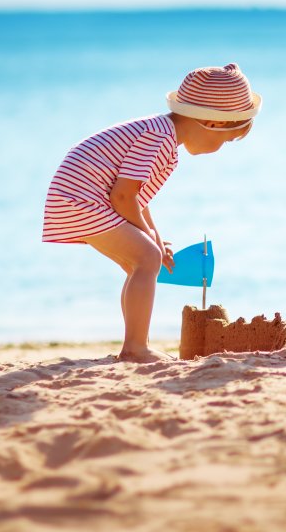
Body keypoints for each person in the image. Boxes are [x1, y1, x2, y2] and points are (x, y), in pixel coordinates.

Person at [42, 64, 259, 363]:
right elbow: (122, 195)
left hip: (82, 197)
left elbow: (137, 197)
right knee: (146, 258)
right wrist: (148, 240)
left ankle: (135, 344)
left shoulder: (161, 134)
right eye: (223, 140)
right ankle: (135, 348)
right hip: (82, 199)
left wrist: (153, 235)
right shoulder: (159, 139)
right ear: (212, 123)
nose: (219, 148)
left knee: (142, 260)